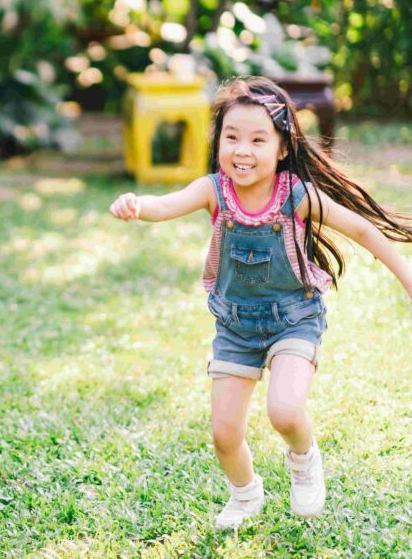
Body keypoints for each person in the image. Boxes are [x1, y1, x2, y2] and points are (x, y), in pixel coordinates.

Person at [109, 76, 412, 529]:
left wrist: (407, 277)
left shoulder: (297, 196)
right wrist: (137, 205)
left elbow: (364, 231)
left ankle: (304, 459)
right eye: (231, 138)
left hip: (294, 320)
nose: (242, 150)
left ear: (283, 148)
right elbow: (166, 204)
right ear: (218, 143)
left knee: (285, 411)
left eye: (257, 139)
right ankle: (245, 494)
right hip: (235, 327)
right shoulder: (214, 190)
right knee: (224, 434)